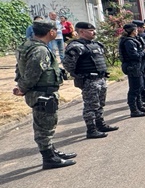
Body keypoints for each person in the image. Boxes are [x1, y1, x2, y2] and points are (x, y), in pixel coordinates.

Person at [13, 19, 77, 169]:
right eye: (56, 31)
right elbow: (33, 72)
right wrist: (22, 88)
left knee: (45, 124)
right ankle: (49, 159)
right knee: (44, 127)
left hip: (39, 92)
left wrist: (21, 85)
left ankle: (52, 152)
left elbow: (20, 68)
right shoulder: (40, 50)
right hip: (42, 93)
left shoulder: (27, 45)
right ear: (51, 32)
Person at [62, 22, 117, 138]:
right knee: (91, 106)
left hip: (101, 79)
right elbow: (68, 64)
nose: (94, 32)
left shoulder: (96, 45)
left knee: (100, 104)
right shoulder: (76, 46)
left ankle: (100, 124)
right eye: (91, 31)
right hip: (89, 80)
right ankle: (91, 130)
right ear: (81, 32)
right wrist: (79, 75)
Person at [118, 23, 145, 117]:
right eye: (136, 30)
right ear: (133, 31)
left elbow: (139, 54)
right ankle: (134, 110)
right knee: (134, 89)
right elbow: (135, 56)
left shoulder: (134, 40)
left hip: (138, 66)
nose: (137, 31)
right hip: (133, 67)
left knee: (140, 87)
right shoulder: (129, 42)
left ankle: (139, 106)